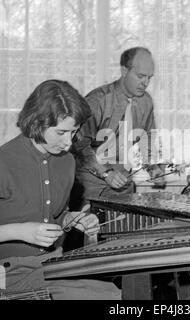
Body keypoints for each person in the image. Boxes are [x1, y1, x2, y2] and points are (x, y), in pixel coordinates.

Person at [0, 79, 121, 300]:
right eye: (61, 132)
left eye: (73, 133)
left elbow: (55, 215)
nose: (68, 143)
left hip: (53, 265)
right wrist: (20, 231)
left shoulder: (66, 162)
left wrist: (72, 219)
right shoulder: (4, 162)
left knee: (116, 292)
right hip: (8, 275)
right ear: (37, 122)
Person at [71, 47, 165, 206]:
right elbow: (80, 144)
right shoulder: (97, 100)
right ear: (124, 71)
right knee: (90, 227)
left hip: (124, 182)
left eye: (149, 78)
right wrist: (106, 173)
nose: (146, 83)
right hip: (90, 183)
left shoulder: (146, 101)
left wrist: (152, 167)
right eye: (140, 76)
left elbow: (147, 138)